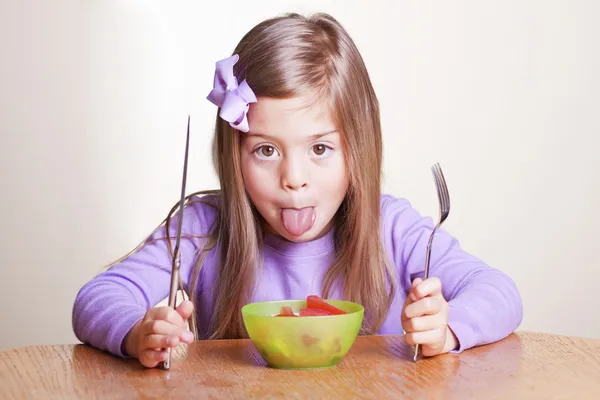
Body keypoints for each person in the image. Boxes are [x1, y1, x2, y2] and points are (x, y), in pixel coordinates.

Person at [72, 12, 523, 368]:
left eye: (321, 148)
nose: (294, 177)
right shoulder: (204, 227)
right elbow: (98, 296)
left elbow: (498, 290)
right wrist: (137, 333)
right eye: (266, 150)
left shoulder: (393, 229)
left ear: (358, 148)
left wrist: (448, 330)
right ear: (235, 154)